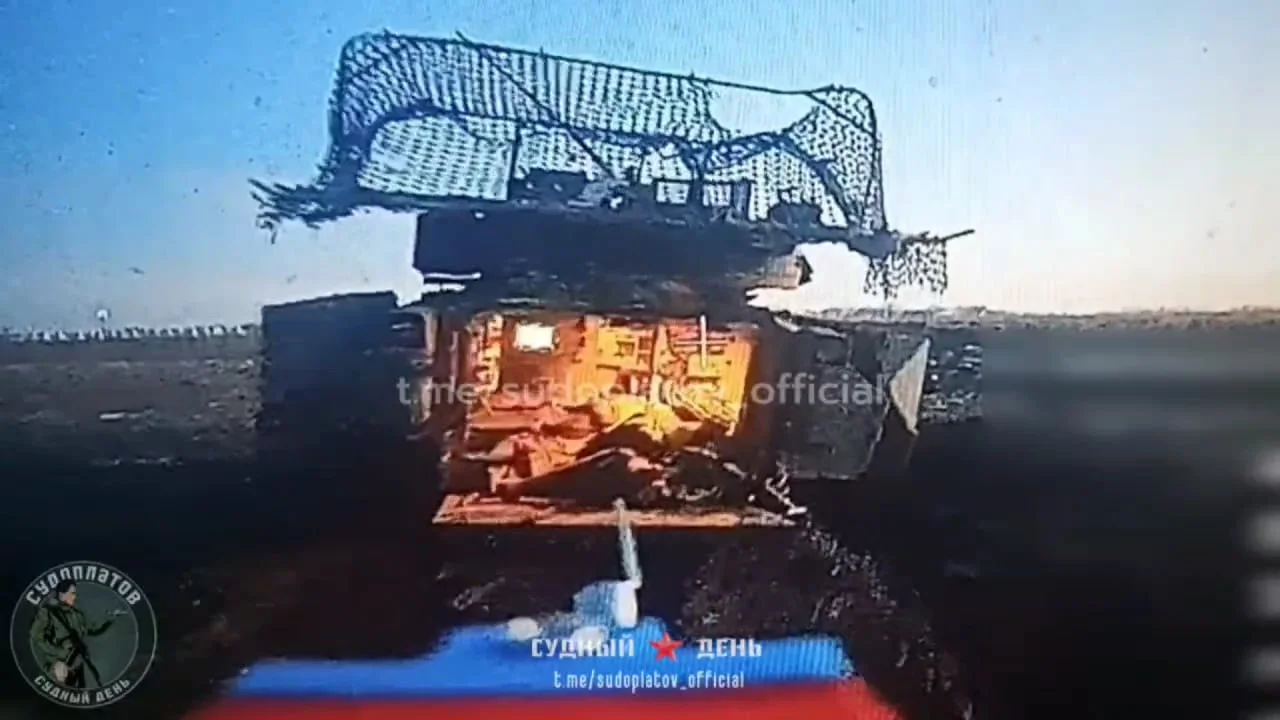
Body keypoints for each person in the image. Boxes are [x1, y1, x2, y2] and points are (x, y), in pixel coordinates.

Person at [29, 579, 125, 689]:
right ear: (62, 594)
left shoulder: (76, 614)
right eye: (72, 593)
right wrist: (58, 655)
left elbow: (92, 628)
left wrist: (110, 617)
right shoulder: (48, 612)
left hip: (76, 664)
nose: (75, 596)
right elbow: (36, 636)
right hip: (58, 666)